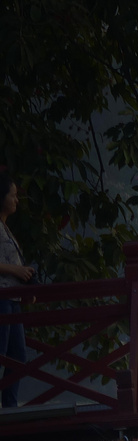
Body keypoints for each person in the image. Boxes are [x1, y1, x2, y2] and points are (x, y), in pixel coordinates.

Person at [0, 173, 34, 408]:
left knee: (18, 357)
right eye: (12, 195)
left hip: (12, 299)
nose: (16, 200)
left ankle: (9, 408)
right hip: (1, 299)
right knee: (1, 356)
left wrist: (25, 283)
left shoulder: (6, 229)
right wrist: (16, 270)